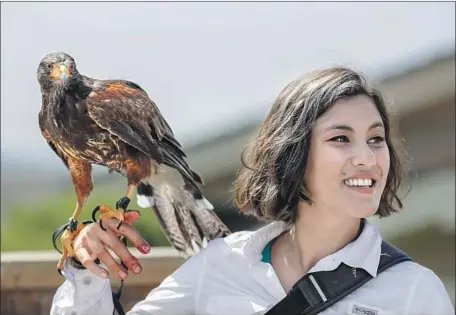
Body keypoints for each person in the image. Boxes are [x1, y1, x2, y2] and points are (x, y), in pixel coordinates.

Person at [50, 67, 454, 315]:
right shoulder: (223, 264)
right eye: (341, 139)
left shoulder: (415, 292)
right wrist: (88, 269)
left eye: (376, 138)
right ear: (293, 154)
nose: (367, 158)